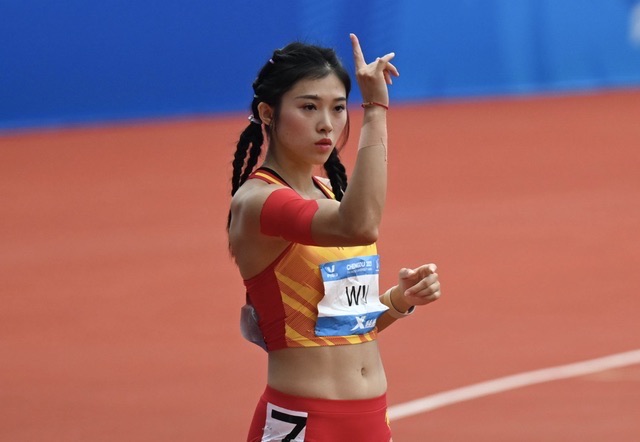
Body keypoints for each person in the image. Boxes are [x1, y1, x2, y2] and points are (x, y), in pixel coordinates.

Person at [227, 34, 442, 442]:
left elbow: (342, 324)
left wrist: (400, 300)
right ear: (268, 113)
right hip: (304, 423)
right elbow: (359, 225)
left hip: (369, 421)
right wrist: (375, 109)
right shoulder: (259, 202)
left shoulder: (330, 194)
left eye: (339, 107)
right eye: (309, 107)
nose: (327, 122)